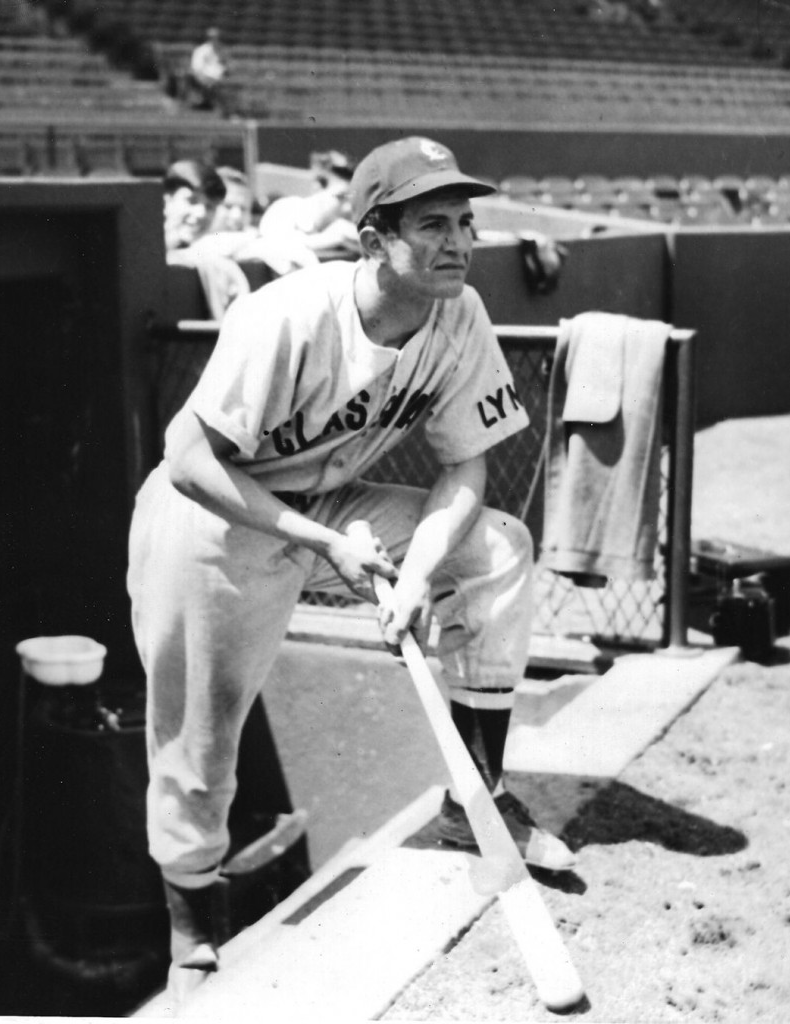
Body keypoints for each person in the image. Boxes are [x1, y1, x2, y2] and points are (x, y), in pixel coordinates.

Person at [128, 135, 576, 995]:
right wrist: (327, 544)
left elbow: (467, 465)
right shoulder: (288, 315)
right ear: (372, 239)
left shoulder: (460, 313)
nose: (457, 242)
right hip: (212, 518)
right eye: (431, 224)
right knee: (202, 737)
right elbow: (188, 457)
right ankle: (190, 939)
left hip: (329, 503)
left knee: (496, 551)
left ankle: (474, 806)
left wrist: (415, 576)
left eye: (465, 221)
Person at [163, 159, 250, 321]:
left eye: (210, 206)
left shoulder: (203, 249)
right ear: (167, 199)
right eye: (192, 200)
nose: (201, 213)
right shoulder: (142, 242)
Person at [256, 149, 360, 275]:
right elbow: (272, 246)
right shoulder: (285, 208)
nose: (348, 207)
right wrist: (328, 239)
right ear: (318, 188)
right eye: (341, 197)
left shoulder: (346, 225)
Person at [186, 26, 232, 117]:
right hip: (206, 79)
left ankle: (226, 111)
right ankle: (219, 110)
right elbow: (196, 69)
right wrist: (207, 80)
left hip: (220, 79)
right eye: (213, 37)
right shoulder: (201, 51)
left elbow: (227, 68)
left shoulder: (223, 51)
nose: (216, 40)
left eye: (218, 37)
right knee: (214, 88)